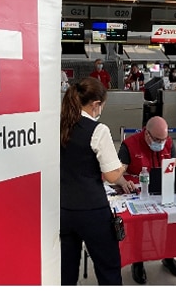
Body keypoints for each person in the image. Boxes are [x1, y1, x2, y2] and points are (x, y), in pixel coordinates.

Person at [59, 77, 125, 286]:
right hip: (92, 211)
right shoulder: (98, 130)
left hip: (62, 209)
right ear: (96, 104)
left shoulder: (57, 125)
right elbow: (112, 175)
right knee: (108, 268)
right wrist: (122, 166)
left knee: (66, 270)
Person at [118, 116, 176, 283]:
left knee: (175, 218)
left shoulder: (168, 142)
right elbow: (117, 173)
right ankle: (137, 261)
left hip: (164, 191)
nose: (161, 143)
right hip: (139, 193)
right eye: (157, 139)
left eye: (164, 139)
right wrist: (124, 182)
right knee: (138, 223)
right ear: (146, 133)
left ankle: (168, 256)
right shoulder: (130, 144)